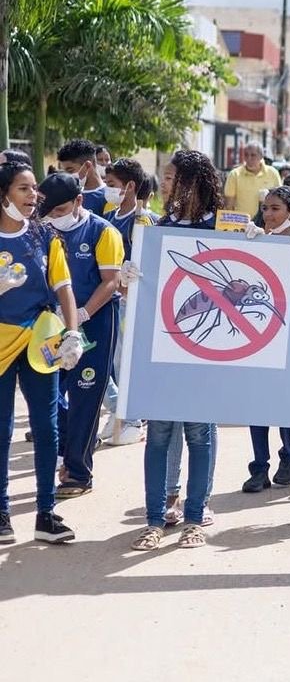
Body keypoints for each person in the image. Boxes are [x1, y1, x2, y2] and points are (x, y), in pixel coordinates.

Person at [130, 151, 222, 551]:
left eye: (171, 178)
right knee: (160, 435)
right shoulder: (158, 228)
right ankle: (154, 519)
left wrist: (258, 241)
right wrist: (131, 277)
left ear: (193, 182)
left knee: (200, 433)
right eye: (164, 178)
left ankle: (195, 519)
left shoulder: (225, 227)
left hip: (207, 356)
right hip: (164, 350)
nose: (163, 184)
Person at [0, 160, 84, 545]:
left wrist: (73, 334)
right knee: (1, 430)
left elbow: (64, 288)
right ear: (3, 195)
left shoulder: (44, 237)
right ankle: (1, 513)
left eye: (35, 189)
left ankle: (46, 513)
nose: (34, 196)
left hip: (40, 342)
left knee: (48, 429)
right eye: (24, 189)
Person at [37, 173, 124, 498]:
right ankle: (65, 450)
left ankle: (77, 471)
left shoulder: (103, 232)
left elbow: (110, 281)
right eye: (49, 212)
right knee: (48, 389)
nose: (55, 218)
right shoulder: (41, 231)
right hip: (51, 323)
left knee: (86, 394)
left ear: (78, 202)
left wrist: (83, 313)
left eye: (61, 210)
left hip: (96, 320)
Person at [239, 187, 290, 494]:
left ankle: (288, 456)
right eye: (264, 208)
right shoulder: (256, 243)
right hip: (258, 336)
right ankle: (259, 466)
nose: (267, 215)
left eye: (275, 209)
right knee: (256, 403)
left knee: (283, 404)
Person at [101, 158, 155, 446]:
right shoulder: (109, 220)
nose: (108, 190)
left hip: (132, 303)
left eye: (112, 186)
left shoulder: (144, 219)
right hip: (112, 299)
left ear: (130, 186)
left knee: (125, 362)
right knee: (111, 362)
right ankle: (119, 412)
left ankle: (132, 418)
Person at [224, 143, 282, 218]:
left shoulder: (273, 173)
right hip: (241, 225)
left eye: (253, 155)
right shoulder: (234, 174)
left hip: (266, 224)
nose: (249, 158)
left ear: (261, 156)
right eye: (246, 155)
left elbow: (280, 200)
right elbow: (229, 205)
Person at [56, 139, 107, 214]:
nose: (66, 176)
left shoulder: (109, 197)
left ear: (88, 165)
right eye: (63, 172)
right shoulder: (68, 197)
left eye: (70, 171)